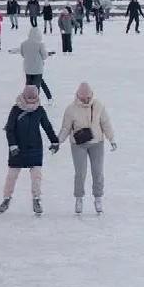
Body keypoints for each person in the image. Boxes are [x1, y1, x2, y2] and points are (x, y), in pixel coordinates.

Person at [0, 85, 59, 216]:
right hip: (18, 149)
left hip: (34, 147)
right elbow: (10, 129)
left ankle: (36, 200)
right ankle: (6, 199)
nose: (31, 99)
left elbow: (47, 127)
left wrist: (54, 141)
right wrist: (12, 145)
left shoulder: (39, 110)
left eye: (33, 97)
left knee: (36, 176)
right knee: (12, 176)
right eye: (29, 97)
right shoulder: (16, 109)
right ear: (24, 96)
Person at [58, 82, 116, 214]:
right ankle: (79, 198)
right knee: (80, 173)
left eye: (88, 97)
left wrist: (111, 139)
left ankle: (98, 198)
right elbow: (65, 128)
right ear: (78, 96)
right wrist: (58, 142)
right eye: (83, 97)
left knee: (98, 172)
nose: (85, 100)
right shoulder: (71, 109)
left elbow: (106, 123)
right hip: (78, 145)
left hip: (97, 143)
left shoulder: (98, 106)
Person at [18, 27, 52, 101]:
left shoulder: (24, 43)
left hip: (28, 68)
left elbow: (22, 54)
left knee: (29, 84)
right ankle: (35, 100)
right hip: (37, 69)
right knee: (36, 86)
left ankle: (48, 97)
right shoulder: (40, 44)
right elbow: (45, 56)